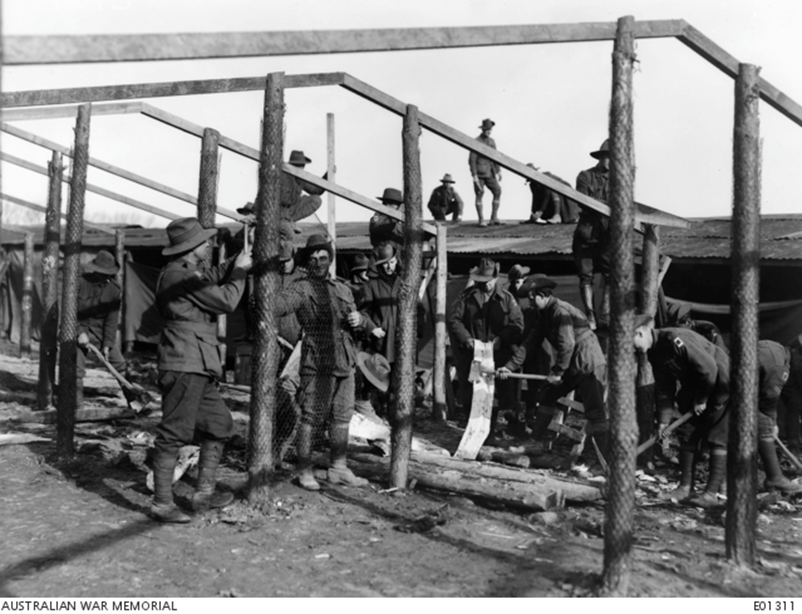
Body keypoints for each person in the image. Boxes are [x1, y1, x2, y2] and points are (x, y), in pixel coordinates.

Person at [151, 217, 252, 523]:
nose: (209, 245)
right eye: (204, 242)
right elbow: (225, 300)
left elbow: (208, 277)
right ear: (190, 248)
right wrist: (240, 271)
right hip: (185, 360)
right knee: (174, 432)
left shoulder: (183, 273)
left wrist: (235, 261)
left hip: (197, 362)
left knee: (219, 424)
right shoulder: (178, 276)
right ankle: (162, 504)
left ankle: (203, 494)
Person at [274, 234, 369, 491]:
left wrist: (361, 320)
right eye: (313, 258)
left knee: (342, 416)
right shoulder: (301, 287)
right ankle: (304, 471)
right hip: (318, 363)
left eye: (323, 257)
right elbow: (280, 305)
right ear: (306, 261)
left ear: (330, 259)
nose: (318, 262)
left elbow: (365, 324)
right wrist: (265, 296)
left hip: (346, 362)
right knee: (311, 417)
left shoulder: (342, 288)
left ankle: (338, 468)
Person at [497, 275, 608, 460]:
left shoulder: (560, 311)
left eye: (532, 299)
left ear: (542, 295)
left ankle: (606, 460)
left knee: (595, 412)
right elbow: (530, 343)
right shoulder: (544, 314)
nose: (530, 304)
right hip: (572, 362)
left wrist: (557, 372)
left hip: (588, 362)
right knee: (547, 394)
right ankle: (535, 443)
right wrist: (509, 367)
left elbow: (567, 344)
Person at [633, 315, 731, 508]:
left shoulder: (675, 339)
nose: (633, 349)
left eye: (632, 343)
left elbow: (709, 368)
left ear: (641, 332)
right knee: (687, 434)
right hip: (695, 387)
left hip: (722, 384)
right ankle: (685, 488)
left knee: (716, 437)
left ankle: (710, 494)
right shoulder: (654, 352)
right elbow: (664, 387)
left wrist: (702, 399)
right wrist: (663, 421)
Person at [448, 258, 524, 430]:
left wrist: (501, 339)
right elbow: (454, 320)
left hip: (497, 356)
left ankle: (490, 430)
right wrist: (467, 339)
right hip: (471, 355)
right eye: (483, 281)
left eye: (489, 281)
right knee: (470, 392)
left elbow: (518, 324)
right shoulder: (466, 297)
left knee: (494, 394)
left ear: (496, 278)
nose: (486, 285)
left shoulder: (507, 298)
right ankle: (471, 429)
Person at [358, 242, 426, 410]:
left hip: (403, 339)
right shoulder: (371, 286)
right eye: (385, 263)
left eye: (392, 262)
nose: (389, 266)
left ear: (397, 261)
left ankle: (397, 414)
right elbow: (363, 312)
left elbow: (420, 310)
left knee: (401, 377)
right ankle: (378, 412)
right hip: (381, 341)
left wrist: (415, 332)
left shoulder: (405, 284)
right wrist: (372, 327)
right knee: (379, 377)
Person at [75, 250, 135, 409]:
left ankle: (136, 403)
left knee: (120, 364)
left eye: (109, 273)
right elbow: (68, 311)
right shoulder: (80, 283)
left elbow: (111, 320)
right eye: (102, 273)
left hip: (100, 332)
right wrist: (79, 332)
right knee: (76, 369)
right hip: (77, 330)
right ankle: (75, 405)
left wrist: (107, 344)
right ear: (95, 270)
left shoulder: (114, 289)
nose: (105, 276)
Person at [573, 139, 611, 330]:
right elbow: (583, 201)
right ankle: (590, 316)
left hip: (607, 235)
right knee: (585, 276)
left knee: (611, 274)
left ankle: (604, 315)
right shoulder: (585, 176)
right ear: (601, 157)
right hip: (587, 233)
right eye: (609, 158)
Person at [756, 340, 802, 493]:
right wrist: (772, 423)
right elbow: (768, 399)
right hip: (727, 389)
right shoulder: (779, 366)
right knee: (764, 424)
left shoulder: (775, 347)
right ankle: (775, 478)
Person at [279, 150, 327, 232]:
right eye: (298, 166)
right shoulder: (283, 175)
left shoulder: (300, 178)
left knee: (316, 200)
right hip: (280, 209)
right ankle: (285, 220)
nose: (301, 168)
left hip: (292, 209)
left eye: (302, 166)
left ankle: (290, 220)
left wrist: (328, 175)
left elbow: (316, 190)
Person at [469, 119, 502, 227]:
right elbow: (472, 159)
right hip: (480, 173)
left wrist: (499, 170)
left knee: (497, 191)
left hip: (491, 172)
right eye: (487, 129)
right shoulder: (476, 141)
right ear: (483, 129)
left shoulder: (492, 141)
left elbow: (496, 157)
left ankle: (494, 217)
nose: (489, 131)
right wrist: (474, 175)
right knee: (479, 194)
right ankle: (481, 219)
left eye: (490, 129)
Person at [781, 334, 802, 455]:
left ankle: (795, 444)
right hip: (790, 375)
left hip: (792, 373)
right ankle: (794, 446)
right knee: (794, 406)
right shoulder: (796, 356)